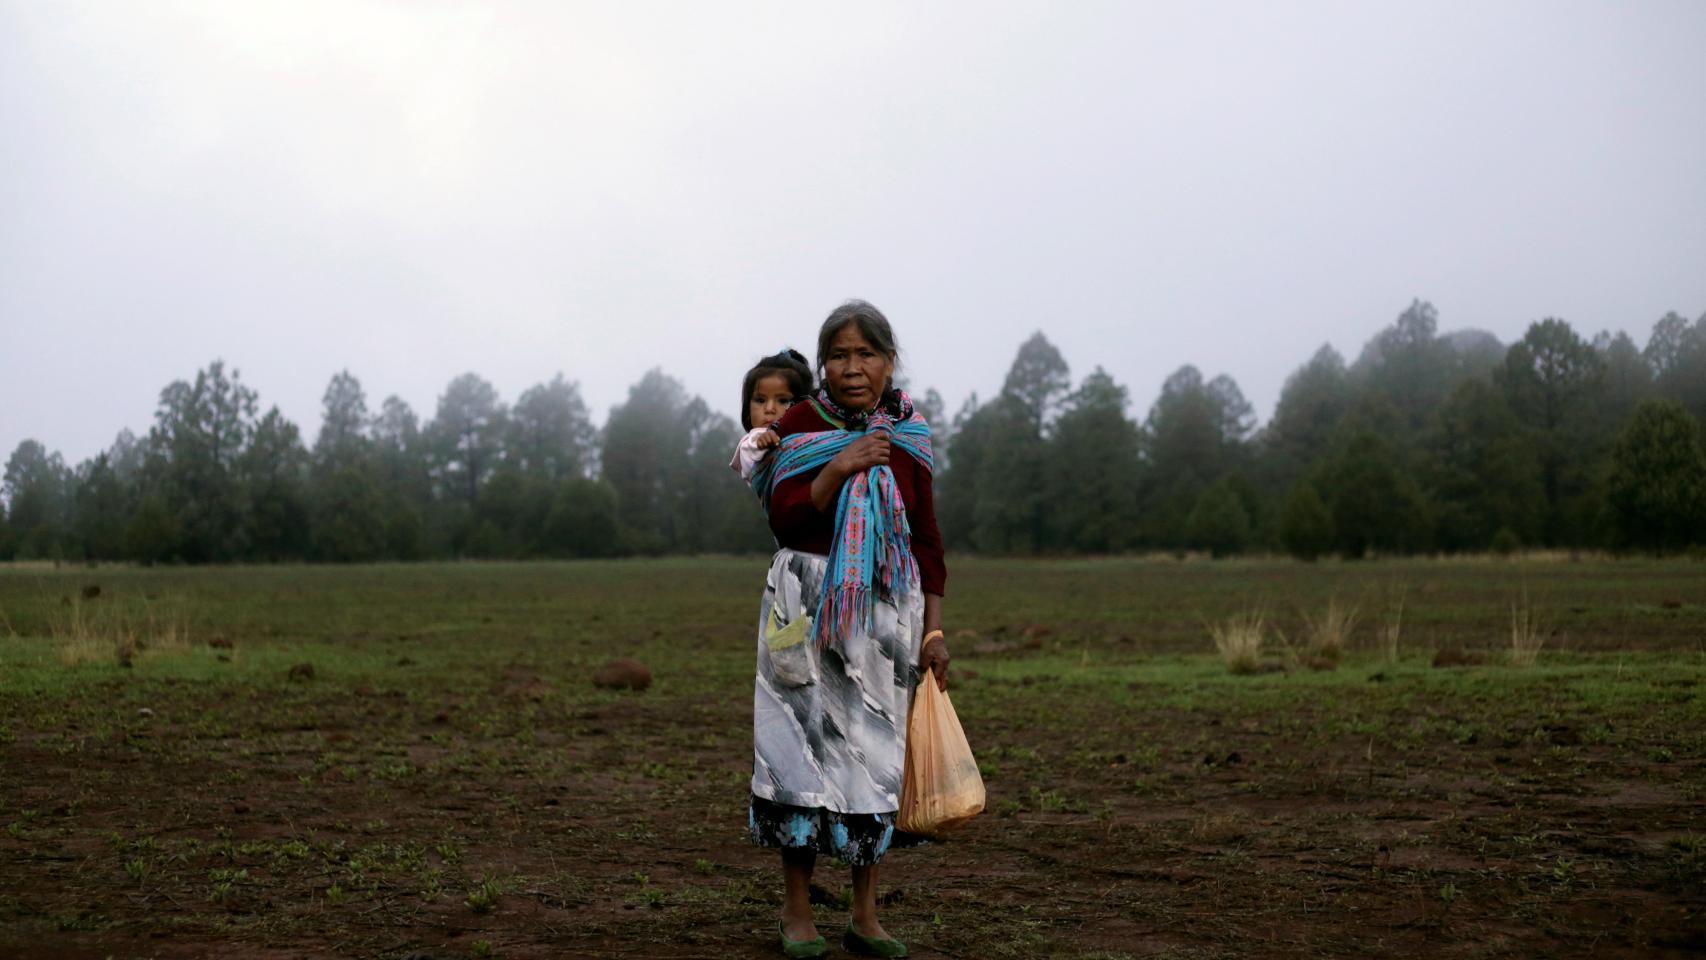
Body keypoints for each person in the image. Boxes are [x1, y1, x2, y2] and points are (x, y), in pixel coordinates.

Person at [747, 301, 949, 959]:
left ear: (890, 362)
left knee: (875, 756)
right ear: (824, 365)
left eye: (866, 354)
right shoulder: (801, 423)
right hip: (802, 604)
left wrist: (933, 633)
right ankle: (798, 910)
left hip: (887, 614)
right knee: (795, 752)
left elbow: (926, 538)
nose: (852, 368)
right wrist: (844, 464)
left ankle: (865, 916)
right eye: (838, 355)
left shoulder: (911, 435)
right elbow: (784, 515)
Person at [731, 349, 815, 484]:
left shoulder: (816, 435)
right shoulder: (750, 442)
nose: (769, 409)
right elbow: (753, 451)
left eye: (783, 401)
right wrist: (763, 442)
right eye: (760, 400)